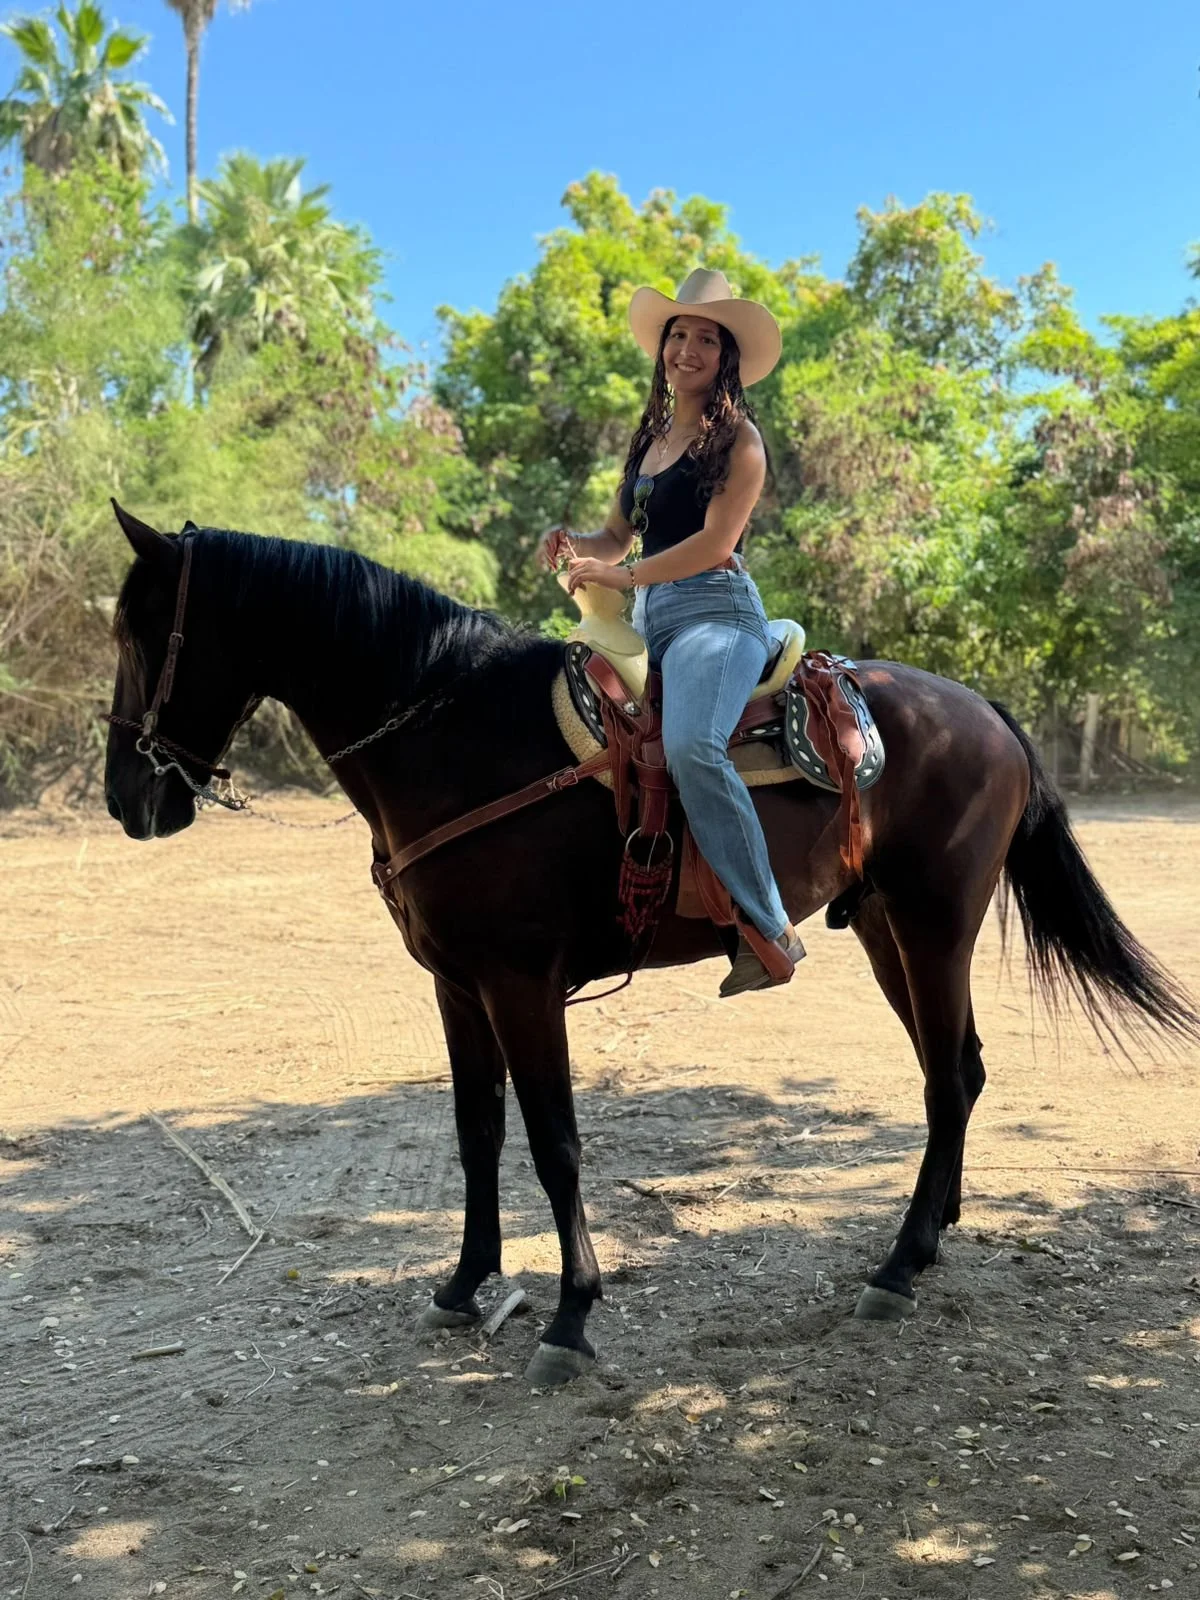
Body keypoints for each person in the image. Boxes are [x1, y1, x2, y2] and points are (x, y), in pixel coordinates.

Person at [537, 268, 805, 997]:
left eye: (705, 340)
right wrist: (576, 543)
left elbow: (716, 543)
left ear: (727, 360)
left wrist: (624, 579)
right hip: (650, 617)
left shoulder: (740, 442)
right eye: (677, 335)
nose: (687, 349)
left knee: (691, 747)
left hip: (715, 615)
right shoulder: (650, 441)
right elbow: (622, 533)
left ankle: (768, 926)